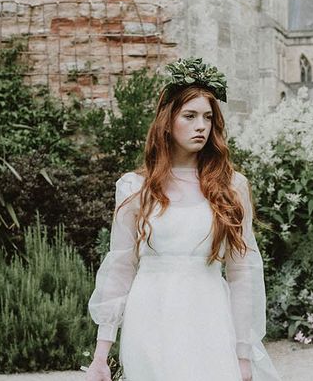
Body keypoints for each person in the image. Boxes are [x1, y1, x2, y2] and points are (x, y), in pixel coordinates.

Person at [84, 58, 281, 381]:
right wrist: (101, 355)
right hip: (149, 321)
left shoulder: (231, 187)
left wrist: (243, 353)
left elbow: (242, 272)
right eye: (190, 116)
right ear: (168, 121)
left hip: (210, 320)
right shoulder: (135, 189)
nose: (201, 126)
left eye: (207, 118)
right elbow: (120, 266)